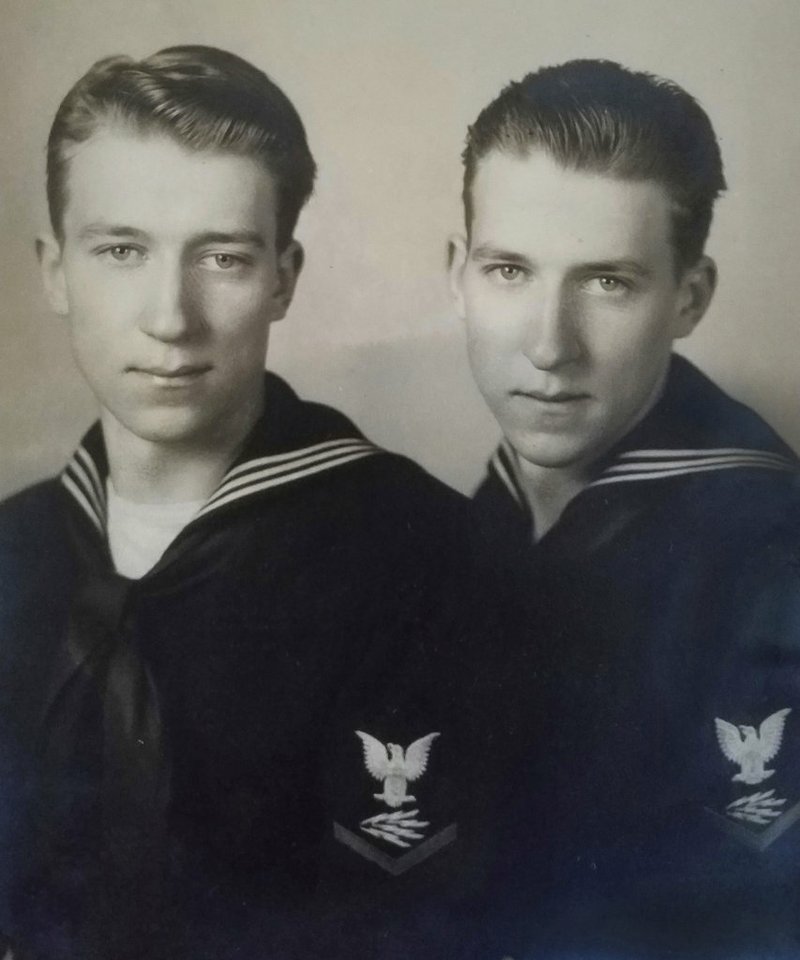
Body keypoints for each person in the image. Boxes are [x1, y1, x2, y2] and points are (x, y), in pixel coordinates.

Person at [0, 46, 505, 960]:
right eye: (120, 250)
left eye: (223, 257)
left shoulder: (421, 552)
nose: (170, 316)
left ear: (283, 276)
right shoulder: (12, 548)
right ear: (53, 271)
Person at [448, 59, 800, 957]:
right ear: (458, 274)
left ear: (689, 297)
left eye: (607, 282)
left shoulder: (770, 557)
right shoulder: (456, 522)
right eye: (510, 270)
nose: (549, 345)